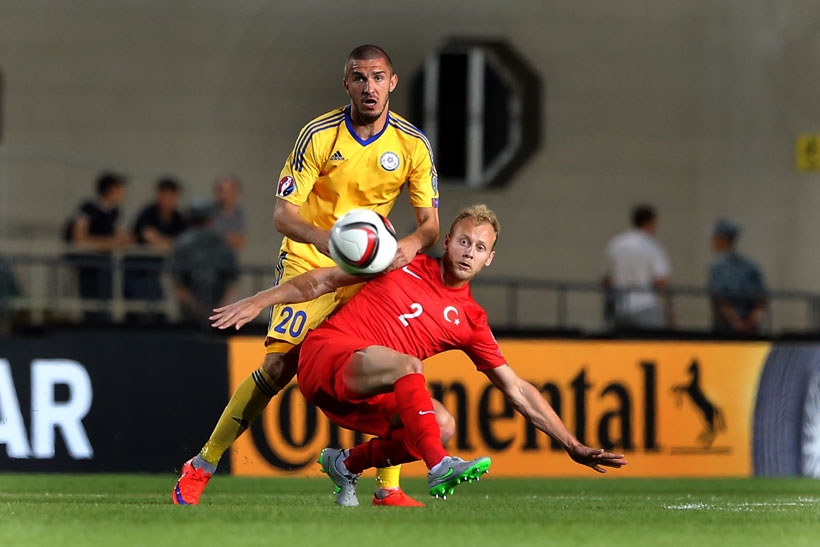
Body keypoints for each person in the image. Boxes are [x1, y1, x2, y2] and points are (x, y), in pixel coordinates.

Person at [210, 205, 627, 505]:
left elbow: (516, 389)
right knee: (410, 366)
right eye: (463, 241)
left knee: (442, 423)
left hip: (363, 391)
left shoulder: (471, 319)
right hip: (325, 356)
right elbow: (321, 281)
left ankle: (346, 463)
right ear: (447, 241)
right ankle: (438, 466)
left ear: (489, 259)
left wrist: (571, 444)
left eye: (480, 248)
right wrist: (260, 301)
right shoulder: (399, 261)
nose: (469, 251)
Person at [172, 44, 440, 507]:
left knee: (388, 366)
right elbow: (283, 215)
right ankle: (201, 465)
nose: (370, 87)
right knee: (278, 367)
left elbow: (430, 224)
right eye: (360, 78)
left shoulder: (412, 144)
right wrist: (329, 241)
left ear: (393, 83)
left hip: (369, 268)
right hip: (309, 257)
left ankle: (388, 487)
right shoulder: (319, 134)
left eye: (378, 77)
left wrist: (407, 248)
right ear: (347, 84)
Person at [63, 171, 131, 322]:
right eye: (120, 189)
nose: (123, 193)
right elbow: (79, 237)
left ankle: (103, 319)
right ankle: (92, 320)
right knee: (91, 292)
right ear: (110, 190)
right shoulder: (88, 208)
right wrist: (107, 243)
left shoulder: (115, 211)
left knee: (106, 292)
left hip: (104, 259)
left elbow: (119, 235)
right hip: (87, 258)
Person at [123, 177, 187, 322]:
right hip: (136, 269)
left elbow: (184, 241)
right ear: (159, 195)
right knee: (137, 311)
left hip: (155, 272)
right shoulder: (147, 213)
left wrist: (167, 244)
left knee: (159, 312)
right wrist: (168, 243)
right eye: (166, 195)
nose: (169, 199)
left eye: (173, 195)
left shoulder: (177, 217)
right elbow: (150, 238)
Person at [602, 204, 673, 330]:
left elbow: (607, 278)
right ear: (650, 222)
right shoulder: (652, 247)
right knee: (652, 345)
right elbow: (661, 280)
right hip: (645, 305)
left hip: (621, 306)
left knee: (623, 346)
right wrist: (671, 312)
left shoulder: (616, 244)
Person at [171, 199, 239, 327]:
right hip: (217, 312)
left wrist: (195, 307)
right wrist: (221, 308)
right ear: (210, 220)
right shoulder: (222, 242)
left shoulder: (181, 243)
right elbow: (232, 281)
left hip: (190, 313)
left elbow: (177, 283)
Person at [708, 218, 768, 334]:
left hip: (725, 330)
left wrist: (736, 323)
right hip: (751, 329)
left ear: (721, 239)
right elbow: (761, 300)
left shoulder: (717, 267)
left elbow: (721, 299)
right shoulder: (751, 265)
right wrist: (751, 322)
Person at [210, 173, 247, 252]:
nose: (224, 196)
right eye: (221, 191)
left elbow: (240, 241)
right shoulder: (209, 213)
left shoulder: (238, 214)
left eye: (228, 192)